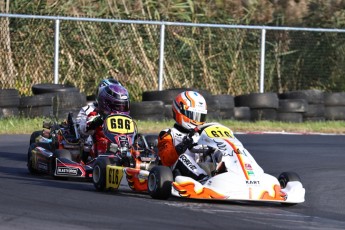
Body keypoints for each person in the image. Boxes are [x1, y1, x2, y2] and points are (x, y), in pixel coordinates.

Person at [157, 90, 209, 183]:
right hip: (174, 175)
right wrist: (182, 145)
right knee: (184, 157)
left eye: (200, 116)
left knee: (221, 154)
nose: (196, 120)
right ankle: (202, 179)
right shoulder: (168, 134)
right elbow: (166, 159)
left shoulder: (203, 135)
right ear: (180, 111)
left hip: (203, 168)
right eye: (193, 115)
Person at [82, 83, 130, 159]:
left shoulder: (126, 119)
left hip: (124, 144)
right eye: (118, 106)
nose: (121, 109)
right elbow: (84, 129)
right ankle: (83, 160)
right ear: (106, 104)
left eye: (123, 106)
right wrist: (98, 120)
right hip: (103, 149)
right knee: (88, 141)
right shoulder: (96, 114)